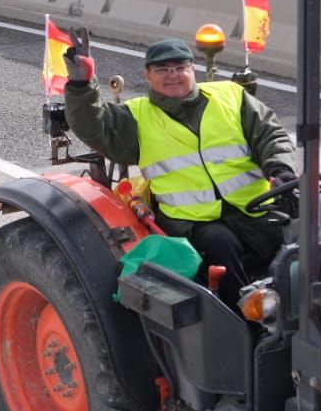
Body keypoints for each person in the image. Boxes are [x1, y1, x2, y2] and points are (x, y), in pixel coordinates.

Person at [65, 37, 297, 298]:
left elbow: (270, 135)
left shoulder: (231, 95)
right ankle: (247, 319)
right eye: (162, 70)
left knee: (307, 232)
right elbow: (93, 126)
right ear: (147, 75)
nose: (172, 75)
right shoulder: (136, 116)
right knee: (222, 245)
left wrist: (280, 169)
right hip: (191, 222)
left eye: (179, 67)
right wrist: (80, 86)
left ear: (192, 69)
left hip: (254, 208)